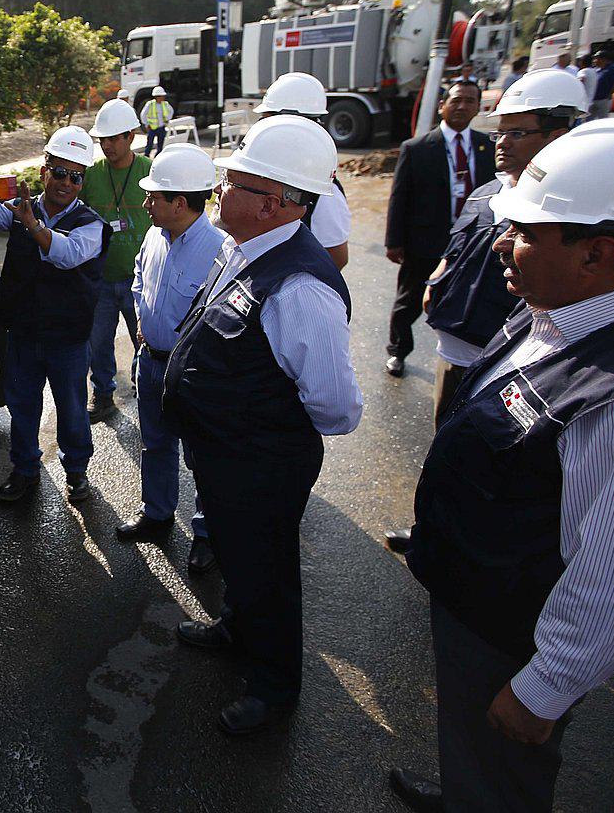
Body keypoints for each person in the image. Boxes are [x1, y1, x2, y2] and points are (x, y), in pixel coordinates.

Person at [389, 119, 614, 812]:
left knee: (504, 775)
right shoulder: (562, 305)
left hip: (512, 644)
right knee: (475, 752)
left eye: (526, 232)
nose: (503, 241)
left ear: (598, 253)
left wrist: (545, 689)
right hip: (478, 604)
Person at [163, 116, 363, 735]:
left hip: (260, 464)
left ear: (273, 203)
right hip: (226, 455)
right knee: (240, 558)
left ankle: (273, 688)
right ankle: (237, 628)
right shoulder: (245, 249)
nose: (219, 188)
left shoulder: (300, 285)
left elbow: (336, 405)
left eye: (233, 181)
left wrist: (261, 428)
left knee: (267, 570)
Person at [382, 68, 587, 555]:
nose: (502, 142)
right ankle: (433, 530)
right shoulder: (486, 194)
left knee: (506, 464)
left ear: (558, 135)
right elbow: (453, 251)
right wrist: (436, 280)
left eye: (517, 133)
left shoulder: (573, 208)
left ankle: (477, 548)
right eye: (502, 132)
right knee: (449, 446)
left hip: (525, 362)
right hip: (458, 351)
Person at [0, 128, 110, 505]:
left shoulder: (91, 225)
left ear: (82, 181)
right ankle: (24, 470)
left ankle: (77, 473)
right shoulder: (22, 209)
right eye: (59, 172)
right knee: (22, 408)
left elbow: (67, 254)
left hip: (67, 340)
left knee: (72, 411)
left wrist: (32, 224)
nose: (66, 183)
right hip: (23, 334)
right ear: (43, 172)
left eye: (76, 176)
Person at [113, 146, 225, 577]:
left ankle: (206, 534)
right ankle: (157, 513)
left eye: (153, 197)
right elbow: (140, 277)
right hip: (151, 363)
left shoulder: (220, 250)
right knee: (155, 443)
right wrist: (143, 318)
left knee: (201, 455)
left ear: (181, 202)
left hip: (194, 373)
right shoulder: (154, 236)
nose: (145, 204)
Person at [384, 80, 494, 377]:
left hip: (471, 242)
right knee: (409, 301)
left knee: (470, 299)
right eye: (456, 100)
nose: (462, 106)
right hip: (426, 240)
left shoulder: (488, 147)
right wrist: (394, 241)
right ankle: (398, 351)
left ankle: (465, 359)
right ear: (442, 105)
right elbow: (400, 197)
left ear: (478, 107)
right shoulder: (417, 148)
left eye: (470, 101)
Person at [82, 97, 153, 421]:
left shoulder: (150, 172)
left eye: (114, 138)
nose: (107, 145)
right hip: (102, 279)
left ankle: (149, 390)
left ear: (131, 137)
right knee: (99, 342)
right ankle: (104, 393)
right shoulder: (90, 176)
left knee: (147, 341)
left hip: (140, 280)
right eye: (103, 140)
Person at [254, 72, 352, 269]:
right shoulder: (261, 172)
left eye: (267, 120)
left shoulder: (322, 190)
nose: (261, 129)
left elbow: (336, 257)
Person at [587, 51, 614, 120]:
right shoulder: (595, 69)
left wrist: (610, 93)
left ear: (603, 59)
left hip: (604, 98)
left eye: (597, 58)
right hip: (593, 98)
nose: (594, 61)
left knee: (603, 119)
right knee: (588, 119)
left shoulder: (612, 68)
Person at [140, 86, 174, 157]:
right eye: (162, 96)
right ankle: (146, 155)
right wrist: (146, 124)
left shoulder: (165, 104)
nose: (163, 98)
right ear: (157, 97)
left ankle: (158, 155)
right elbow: (143, 114)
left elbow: (171, 111)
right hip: (152, 128)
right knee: (150, 143)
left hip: (161, 127)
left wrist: (167, 119)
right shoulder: (150, 104)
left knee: (161, 143)